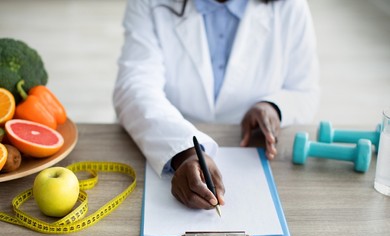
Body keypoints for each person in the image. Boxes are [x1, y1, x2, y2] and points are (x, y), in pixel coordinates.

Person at [113, 0, 320, 211]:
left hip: (249, 145)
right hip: (168, 135)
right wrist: (184, 151)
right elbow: (134, 87)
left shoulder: (291, 6)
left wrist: (273, 107)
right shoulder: (148, 3)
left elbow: (304, 92)